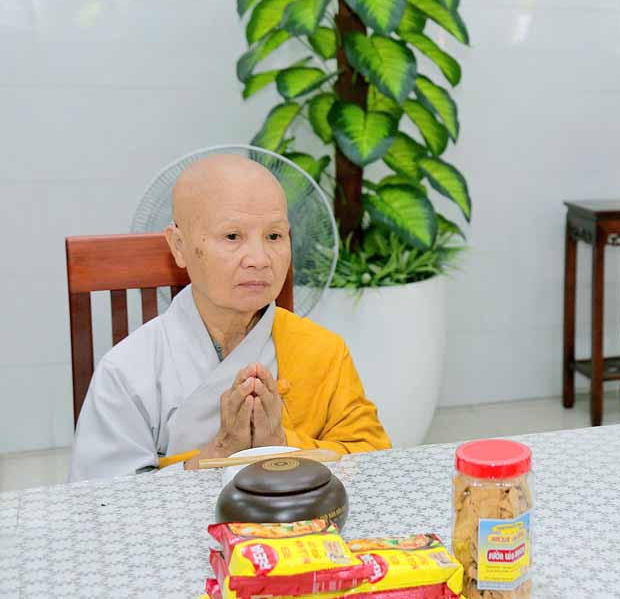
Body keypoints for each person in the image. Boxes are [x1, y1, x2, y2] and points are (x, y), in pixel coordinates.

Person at [69, 155, 390, 481]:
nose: (260, 259)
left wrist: (279, 444)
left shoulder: (323, 351)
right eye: (233, 237)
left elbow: (376, 467)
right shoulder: (126, 373)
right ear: (179, 246)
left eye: (274, 236)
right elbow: (102, 501)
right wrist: (221, 452)